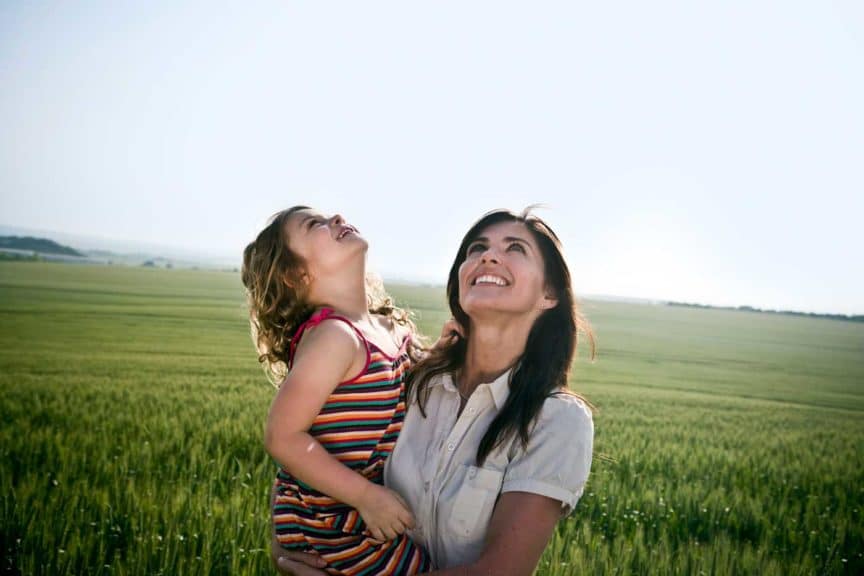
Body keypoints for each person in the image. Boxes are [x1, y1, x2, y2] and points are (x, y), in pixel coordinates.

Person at [274, 208, 595, 576]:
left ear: (550, 294)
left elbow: (500, 572)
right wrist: (288, 544)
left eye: (516, 249)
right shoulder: (412, 381)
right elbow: (305, 438)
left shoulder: (556, 421)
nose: (488, 256)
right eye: (476, 248)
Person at [242, 206, 432, 575]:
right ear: (296, 275)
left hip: (357, 517)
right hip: (330, 524)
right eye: (315, 224)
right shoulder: (335, 336)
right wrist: (366, 496)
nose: (338, 219)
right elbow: (282, 437)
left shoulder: (387, 328)